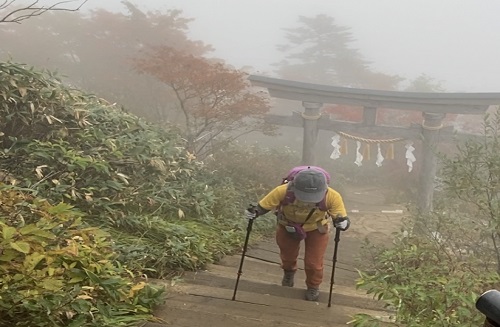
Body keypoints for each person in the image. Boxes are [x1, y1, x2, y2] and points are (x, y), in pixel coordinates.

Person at [245, 166, 349, 301]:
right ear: (293, 186)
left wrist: (343, 223)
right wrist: (254, 212)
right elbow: (262, 207)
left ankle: (313, 286)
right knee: (287, 256)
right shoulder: (282, 191)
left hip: (316, 228)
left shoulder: (332, 196)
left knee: (314, 263)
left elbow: (340, 217)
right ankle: (289, 272)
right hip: (287, 225)